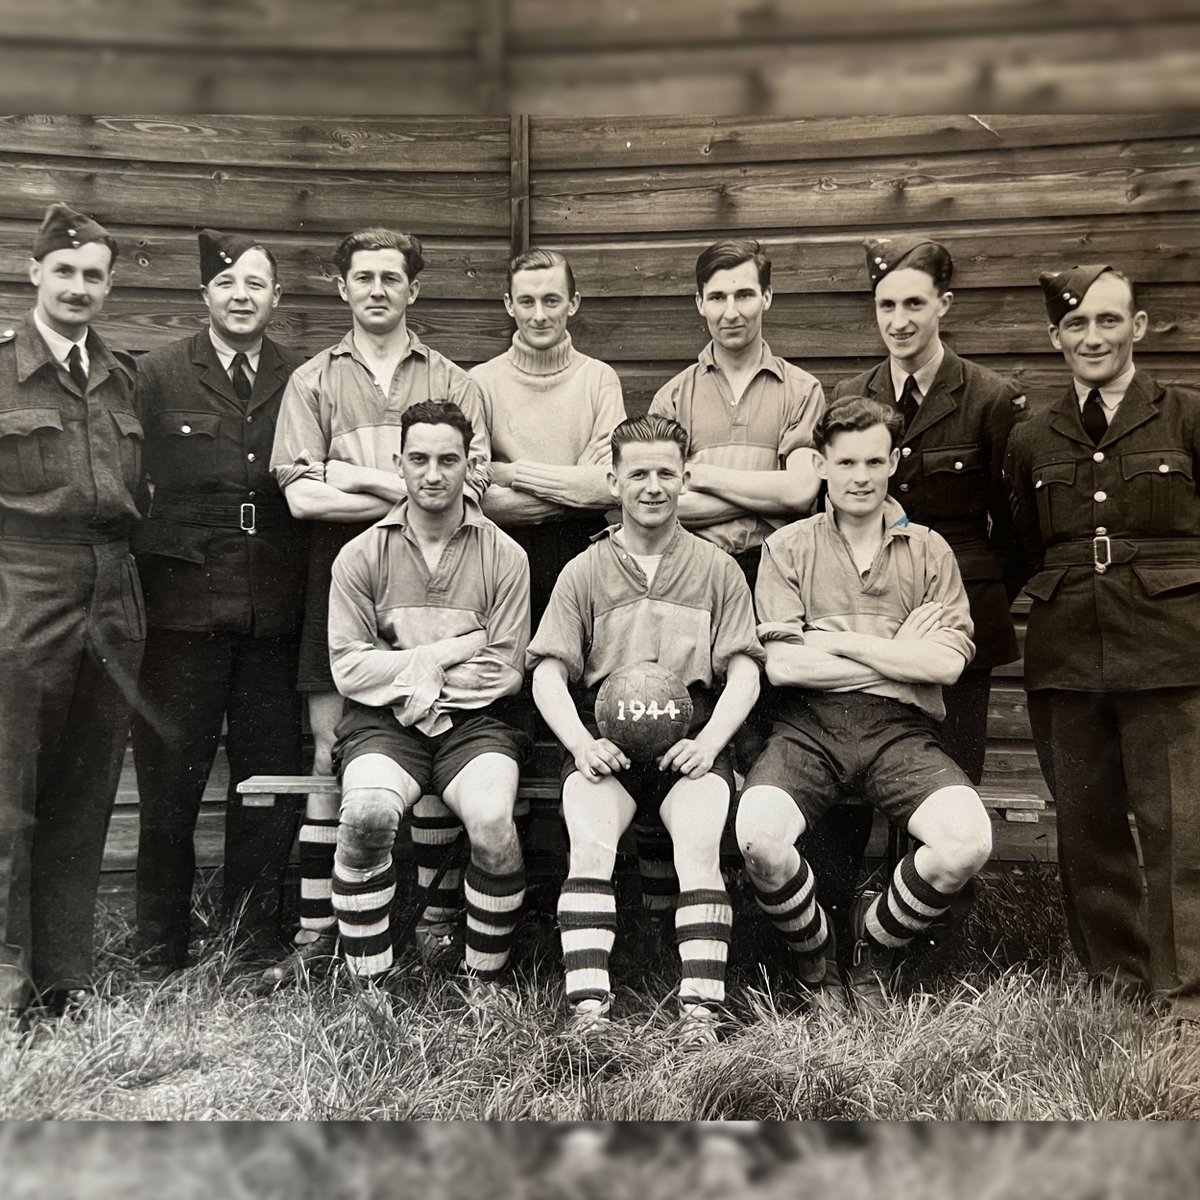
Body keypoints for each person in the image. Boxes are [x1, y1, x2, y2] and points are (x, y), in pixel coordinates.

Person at [267, 228, 490, 982]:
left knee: (429, 723)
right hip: (343, 573)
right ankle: (316, 935)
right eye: (362, 277)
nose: (377, 289)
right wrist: (399, 490)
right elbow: (300, 498)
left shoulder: (455, 380)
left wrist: (357, 478)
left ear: (413, 290)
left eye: (391, 277)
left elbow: (472, 485)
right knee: (337, 752)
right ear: (342, 287)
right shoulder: (313, 380)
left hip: (434, 577)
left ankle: (429, 922)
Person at [736, 395, 992, 1009]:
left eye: (874, 462)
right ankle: (815, 954)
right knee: (758, 839)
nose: (860, 477)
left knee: (967, 843)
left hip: (900, 734)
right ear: (821, 463)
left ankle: (872, 940)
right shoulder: (789, 547)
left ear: (894, 462)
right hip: (807, 732)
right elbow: (787, 665)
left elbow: (946, 665)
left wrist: (842, 641)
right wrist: (897, 655)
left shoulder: (930, 550)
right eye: (846, 462)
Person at [527, 414, 764, 1048]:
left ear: (686, 478)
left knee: (698, 846)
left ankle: (700, 1014)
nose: (652, 486)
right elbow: (548, 674)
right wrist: (582, 745)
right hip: (609, 748)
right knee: (591, 840)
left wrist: (709, 743)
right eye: (638, 473)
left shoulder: (718, 569)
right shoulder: (584, 571)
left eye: (666, 472)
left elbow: (744, 673)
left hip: (688, 749)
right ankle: (588, 1013)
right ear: (613, 481)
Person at [1005, 264, 1200, 1022]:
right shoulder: (1031, 435)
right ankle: (1116, 986)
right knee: (1087, 830)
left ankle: (1184, 998)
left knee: (1180, 827)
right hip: (1067, 654)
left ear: (1139, 328)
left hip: (1170, 649)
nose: (1094, 338)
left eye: (1109, 321)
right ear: (1057, 337)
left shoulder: (1184, 417)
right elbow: (1026, 542)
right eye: (1077, 325)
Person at [812, 235, 1026, 920]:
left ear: (944, 306)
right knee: (850, 778)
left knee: (945, 783)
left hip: (954, 623)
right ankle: (849, 925)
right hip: (864, 614)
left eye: (914, 304)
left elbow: (1019, 530)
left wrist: (964, 602)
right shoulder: (853, 395)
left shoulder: (991, 398)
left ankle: (930, 949)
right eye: (886, 305)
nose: (899, 320)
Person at [130, 229, 309, 978]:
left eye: (256, 285)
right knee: (169, 781)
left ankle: (251, 942)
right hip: (182, 610)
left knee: (265, 780)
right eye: (228, 284)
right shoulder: (159, 374)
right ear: (205, 295)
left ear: (276, 297)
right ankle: (159, 949)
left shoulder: (299, 379)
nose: (242, 296)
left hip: (273, 608)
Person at [642, 238, 825, 910]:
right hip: (700, 578)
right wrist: (762, 482)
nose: (731, 309)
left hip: (776, 575)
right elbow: (666, 497)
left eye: (745, 293)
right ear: (698, 304)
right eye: (717, 296)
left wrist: (710, 474)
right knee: (701, 727)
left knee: (771, 728)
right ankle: (698, 893)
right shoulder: (674, 394)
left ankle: (770, 896)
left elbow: (802, 495)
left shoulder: (802, 389)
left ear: (767, 298)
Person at [327, 400, 529, 995]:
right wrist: (444, 655)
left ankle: (482, 987)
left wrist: (403, 674)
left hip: (477, 726)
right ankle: (373, 991)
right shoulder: (361, 555)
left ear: (470, 464)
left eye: (448, 459)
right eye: (419, 459)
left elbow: (503, 672)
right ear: (399, 464)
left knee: (493, 824)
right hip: (384, 727)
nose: (433, 474)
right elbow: (348, 671)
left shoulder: (504, 556)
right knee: (365, 817)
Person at [0, 203, 143, 1017]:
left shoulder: (122, 376)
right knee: (8, 794)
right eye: (65, 271)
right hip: (22, 587)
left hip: (112, 595)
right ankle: (6, 985)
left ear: (110, 284)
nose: (79, 287)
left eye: (94, 275)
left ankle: (65, 979)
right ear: (35, 274)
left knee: (85, 793)